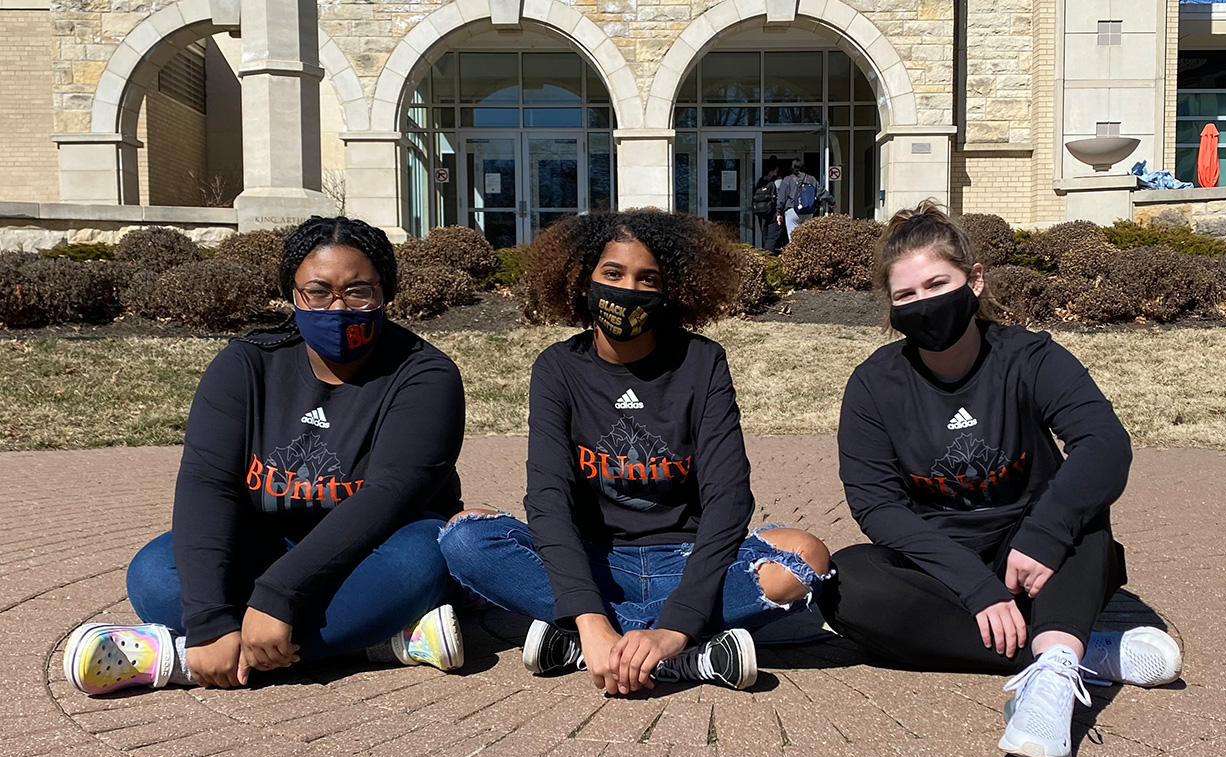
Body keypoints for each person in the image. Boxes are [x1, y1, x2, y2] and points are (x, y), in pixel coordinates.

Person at [821, 202, 1183, 757]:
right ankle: (1074, 651)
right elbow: (875, 503)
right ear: (890, 310)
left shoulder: (1030, 356)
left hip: (1041, 563)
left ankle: (1052, 681)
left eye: (938, 284)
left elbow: (1104, 445)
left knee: (1082, 509)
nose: (924, 304)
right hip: (943, 571)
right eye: (905, 296)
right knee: (844, 584)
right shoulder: (873, 385)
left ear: (976, 278)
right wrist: (974, 586)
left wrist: (1042, 534)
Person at [64, 216, 468, 696]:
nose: (337, 308)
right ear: (292, 294)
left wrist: (278, 597)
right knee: (155, 573)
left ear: (386, 292)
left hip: (376, 546)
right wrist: (211, 619)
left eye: (359, 291)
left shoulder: (426, 375)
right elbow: (206, 483)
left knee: (428, 557)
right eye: (317, 291)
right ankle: (381, 642)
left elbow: (388, 496)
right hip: (268, 541)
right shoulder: (247, 363)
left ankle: (175, 659)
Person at [439, 210, 831, 695]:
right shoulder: (558, 368)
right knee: (463, 538)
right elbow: (547, 498)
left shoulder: (702, 362)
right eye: (613, 273)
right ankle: (690, 656)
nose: (629, 289)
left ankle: (605, 649)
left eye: (648, 279)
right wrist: (589, 615)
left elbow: (728, 500)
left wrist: (676, 622)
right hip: (595, 563)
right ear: (582, 281)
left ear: (671, 291)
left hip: (686, 563)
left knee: (805, 556)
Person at [776, 158, 825, 242]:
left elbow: (781, 199)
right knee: (806, 240)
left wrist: (779, 212)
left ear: (791, 167)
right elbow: (821, 192)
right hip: (808, 211)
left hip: (792, 211)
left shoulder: (787, 180)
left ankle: (795, 254)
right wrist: (832, 202)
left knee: (794, 240)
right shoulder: (811, 179)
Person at [752, 158, 784, 253]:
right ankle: (768, 258)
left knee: (765, 236)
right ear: (777, 169)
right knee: (773, 237)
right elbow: (781, 198)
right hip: (773, 213)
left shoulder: (761, 181)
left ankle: (767, 254)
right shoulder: (778, 181)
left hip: (761, 212)